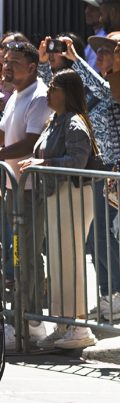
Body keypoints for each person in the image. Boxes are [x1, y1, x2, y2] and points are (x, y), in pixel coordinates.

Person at [43, 34, 120, 322]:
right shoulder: (93, 83)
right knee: (94, 237)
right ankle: (110, 295)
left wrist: (76, 59)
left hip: (112, 169)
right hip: (96, 169)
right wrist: (48, 64)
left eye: (107, 52)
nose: (100, 56)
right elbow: (66, 92)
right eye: (97, 51)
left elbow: (107, 92)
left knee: (101, 234)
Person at [20, 69, 100, 348]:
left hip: (72, 195)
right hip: (58, 195)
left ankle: (78, 326)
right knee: (58, 260)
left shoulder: (74, 123)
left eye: (53, 88)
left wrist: (43, 165)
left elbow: (76, 161)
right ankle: (64, 323)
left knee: (69, 260)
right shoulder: (57, 120)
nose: (49, 93)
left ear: (67, 92)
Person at [0, 40, 52, 346]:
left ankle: (32, 320)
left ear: (32, 67)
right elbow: (6, 134)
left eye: (14, 62)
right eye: (5, 61)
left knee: (29, 255)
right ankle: (19, 317)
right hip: (12, 188)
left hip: (31, 190)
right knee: (15, 255)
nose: (7, 66)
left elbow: (31, 142)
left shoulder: (40, 95)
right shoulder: (15, 95)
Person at [81, 0, 111, 69]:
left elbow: (91, 74)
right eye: (88, 6)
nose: (87, 11)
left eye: (93, 8)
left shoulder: (103, 38)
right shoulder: (98, 34)